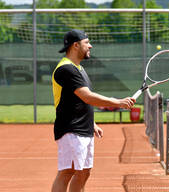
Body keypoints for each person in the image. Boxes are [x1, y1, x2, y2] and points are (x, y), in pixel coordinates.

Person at [51, 29, 136, 192]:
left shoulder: (78, 68)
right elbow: (87, 97)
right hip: (71, 129)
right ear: (76, 45)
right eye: (87, 43)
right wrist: (118, 102)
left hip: (83, 128)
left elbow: (78, 101)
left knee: (83, 172)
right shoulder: (66, 69)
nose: (90, 46)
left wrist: (92, 122)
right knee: (67, 172)